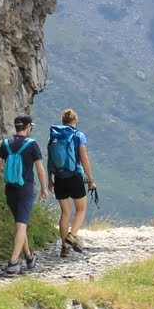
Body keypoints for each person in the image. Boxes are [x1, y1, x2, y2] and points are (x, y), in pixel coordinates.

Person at [0, 113, 48, 274]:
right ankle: (13, 262)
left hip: (10, 188)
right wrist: (44, 188)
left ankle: (29, 257)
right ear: (28, 127)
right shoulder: (32, 144)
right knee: (22, 225)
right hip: (25, 189)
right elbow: (40, 170)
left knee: (19, 224)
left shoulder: (6, 144)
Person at [47, 108, 96, 256]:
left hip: (59, 177)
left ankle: (64, 247)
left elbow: (50, 159)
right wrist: (90, 179)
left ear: (63, 121)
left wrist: (50, 179)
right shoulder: (78, 135)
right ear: (75, 120)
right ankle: (72, 235)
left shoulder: (53, 136)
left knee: (65, 212)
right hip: (75, 176)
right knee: (81, 209)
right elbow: (84, 158)